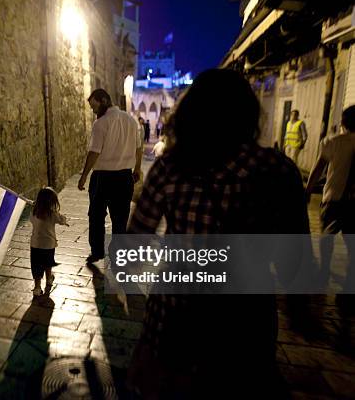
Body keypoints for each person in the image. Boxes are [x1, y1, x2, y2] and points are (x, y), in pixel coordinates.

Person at [127, 69, 308, 398]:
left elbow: (135, 241)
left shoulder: (169, 167)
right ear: (248, 115)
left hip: (173, 320)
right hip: (245, 326)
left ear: (190, 112)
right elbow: (295, 263)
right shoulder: (277, 171)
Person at [78, 88, 142, 263]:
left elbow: (94, 152)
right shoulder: (131, 120)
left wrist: (83, 176)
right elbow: (139, 147)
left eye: (94, 106)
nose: (93, 110)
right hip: (124, 178)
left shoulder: (101, 124)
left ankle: (97, 251)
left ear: (104, 100)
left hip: (102, 178)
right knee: (120, 219)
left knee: (96, 217)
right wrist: (137, 168)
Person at [305, 105, 355, 293]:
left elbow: (319, 168)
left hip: (333, 197)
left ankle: (324, 272)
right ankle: (350, 282)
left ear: (343, 122)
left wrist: (308, 190)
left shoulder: (333, 142)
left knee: (327, 238)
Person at [30, 187, 69, 296]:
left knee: (36, 266)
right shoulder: (53, 214)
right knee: (48, 263)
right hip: (48, 245)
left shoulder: (34, 212)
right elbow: (62, 220)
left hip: (35, 244)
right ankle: (49, 279)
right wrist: (63, 219)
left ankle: (37, 287)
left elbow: (31, 221)